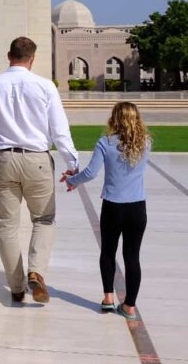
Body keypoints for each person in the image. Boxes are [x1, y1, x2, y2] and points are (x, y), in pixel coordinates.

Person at [0, 37, 79, 304]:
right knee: (43, 220)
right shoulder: (44, 86)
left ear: (9, 55)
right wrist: (72, 164)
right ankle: (36, 272)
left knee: (7, 226)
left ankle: (17, 286)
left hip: (4, 160)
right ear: (32, 58)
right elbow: (59, 130)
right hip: (37, 160)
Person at [62, 102, 150, 320]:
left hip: (113, 206)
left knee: (108, 252)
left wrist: (72, 180)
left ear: (114, 119)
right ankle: (129, 306)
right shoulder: (146, 143)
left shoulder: (105, 143)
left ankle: (108, 298)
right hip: (137, 207)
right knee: (132, 257)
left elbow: (91, 173)